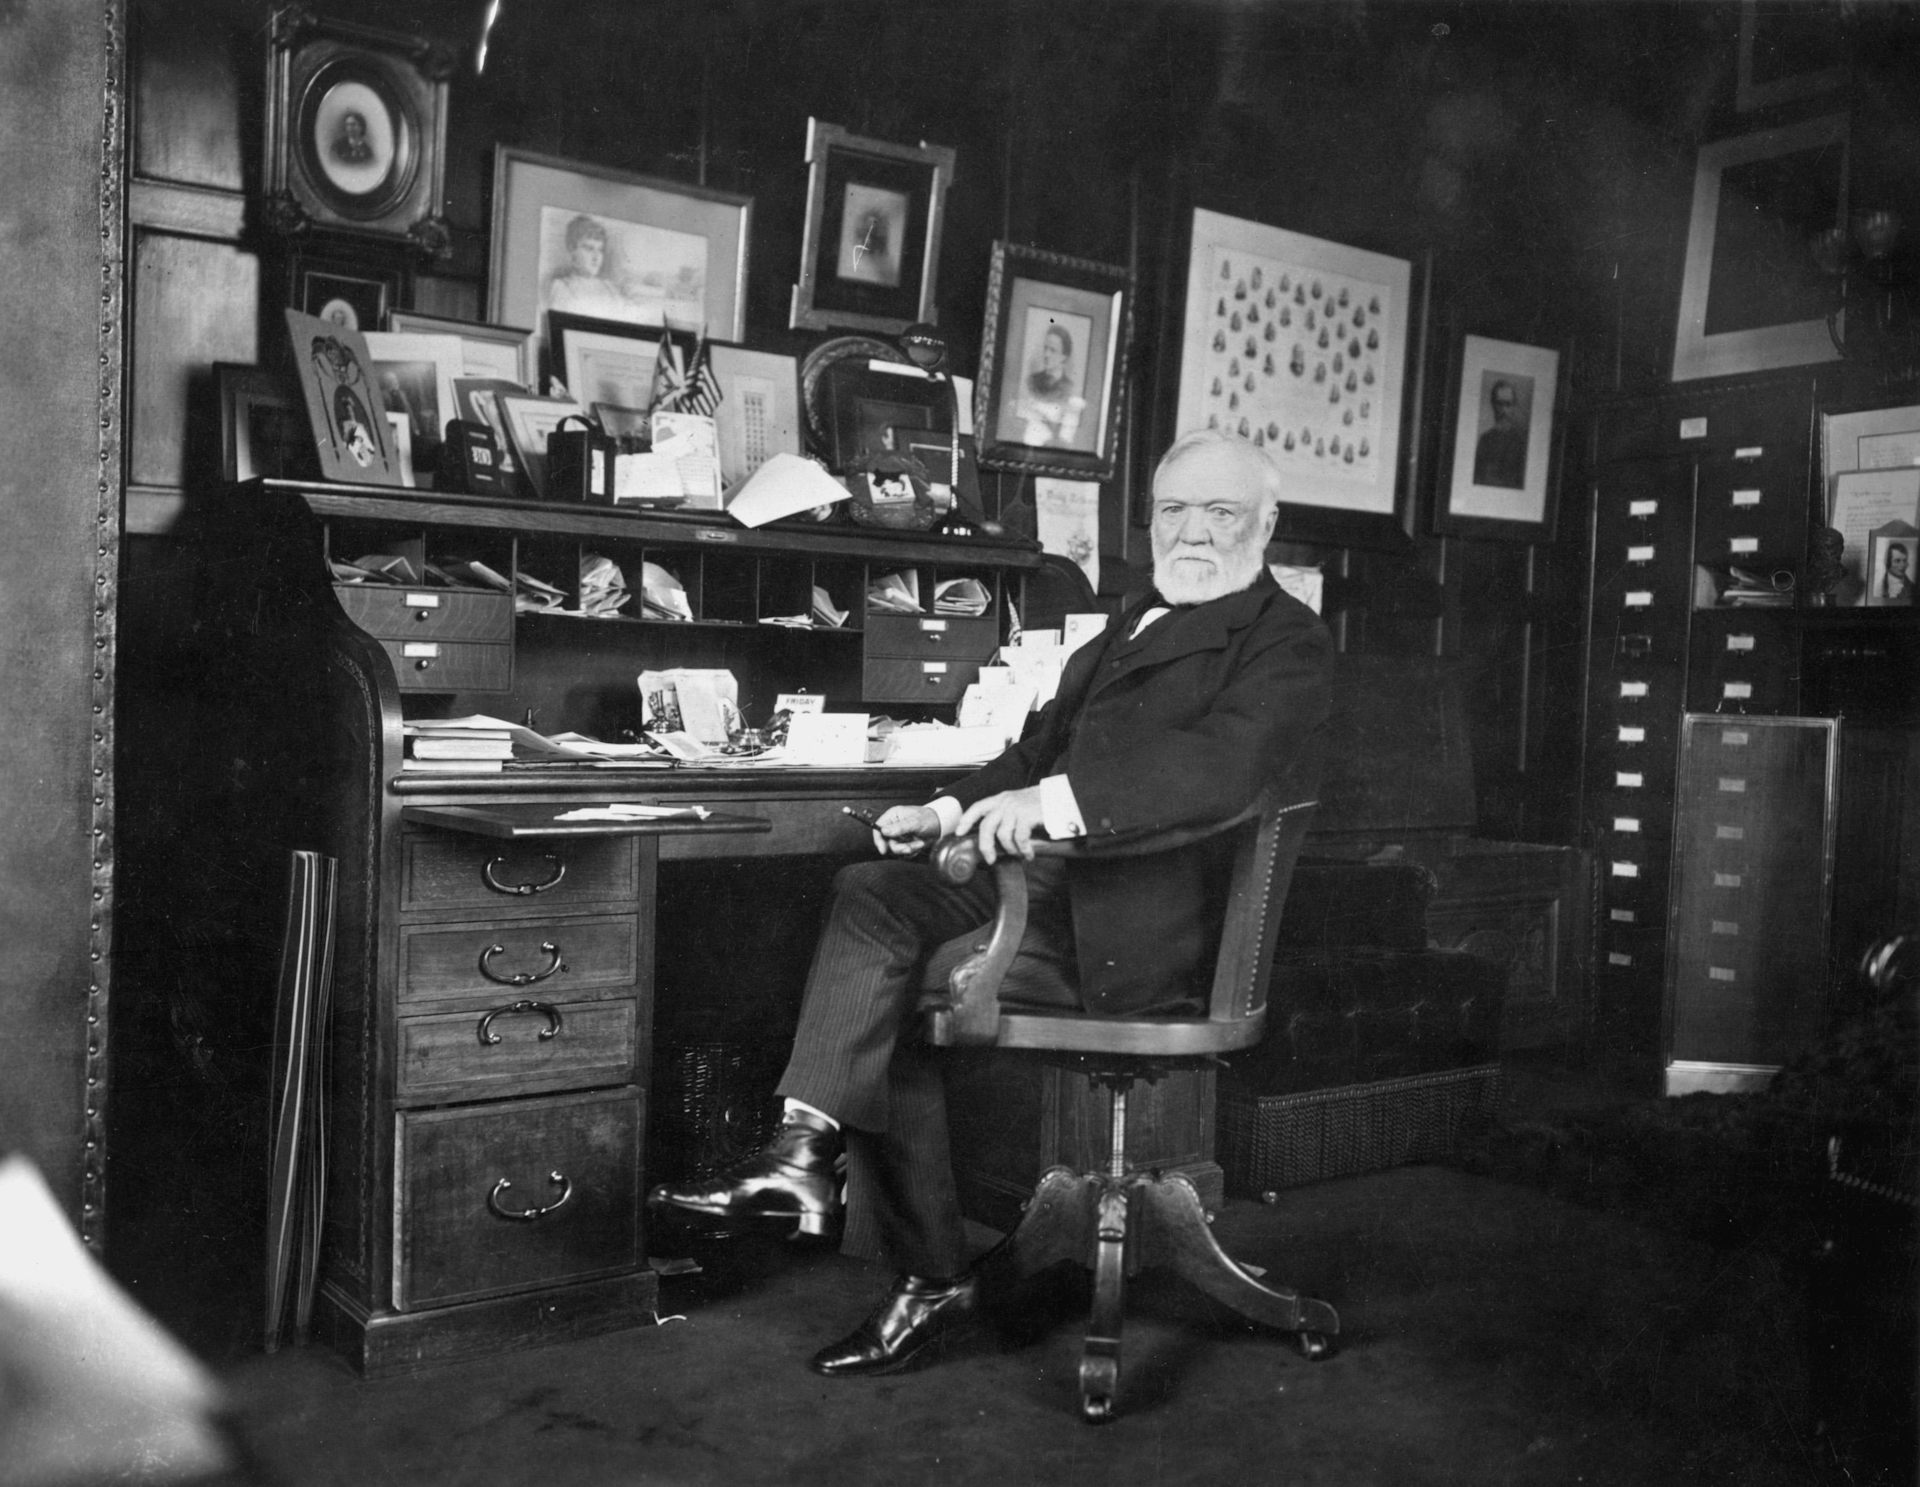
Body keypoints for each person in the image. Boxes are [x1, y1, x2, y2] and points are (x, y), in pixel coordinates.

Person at [649, 428, 1333, 1376]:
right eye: (1174, 510)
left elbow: (1213, 773)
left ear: (1266, 523)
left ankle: (925, 1272)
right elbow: (1030, 751)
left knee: (894, 976)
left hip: (1156, 933)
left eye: (1221, 512)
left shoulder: (1287, 640)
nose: (1194, 532)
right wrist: (941, 809)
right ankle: (804, 1148)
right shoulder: (1134, 616)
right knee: (872, 892)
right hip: (1063, 895)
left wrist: (1046, 806)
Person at [1012, 323, 1087, 448]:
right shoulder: (1031, 382)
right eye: (1045, 348)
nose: (1046, 354)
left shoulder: (1070, 389)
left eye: (1052, 350)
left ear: (1064, 356)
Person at [547, 213, 633, 318]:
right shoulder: (562, 287)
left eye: (600, 250)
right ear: (572, 250)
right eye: (589, 248)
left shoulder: (610, 288)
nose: (596, 257)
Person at [1472, 377, 1528, 488]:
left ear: (1514, 407)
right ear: (1493, 405)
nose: (1503, 410)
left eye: (1508, 404)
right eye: (1499, 404)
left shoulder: (1522, 443)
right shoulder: (1484, 440)